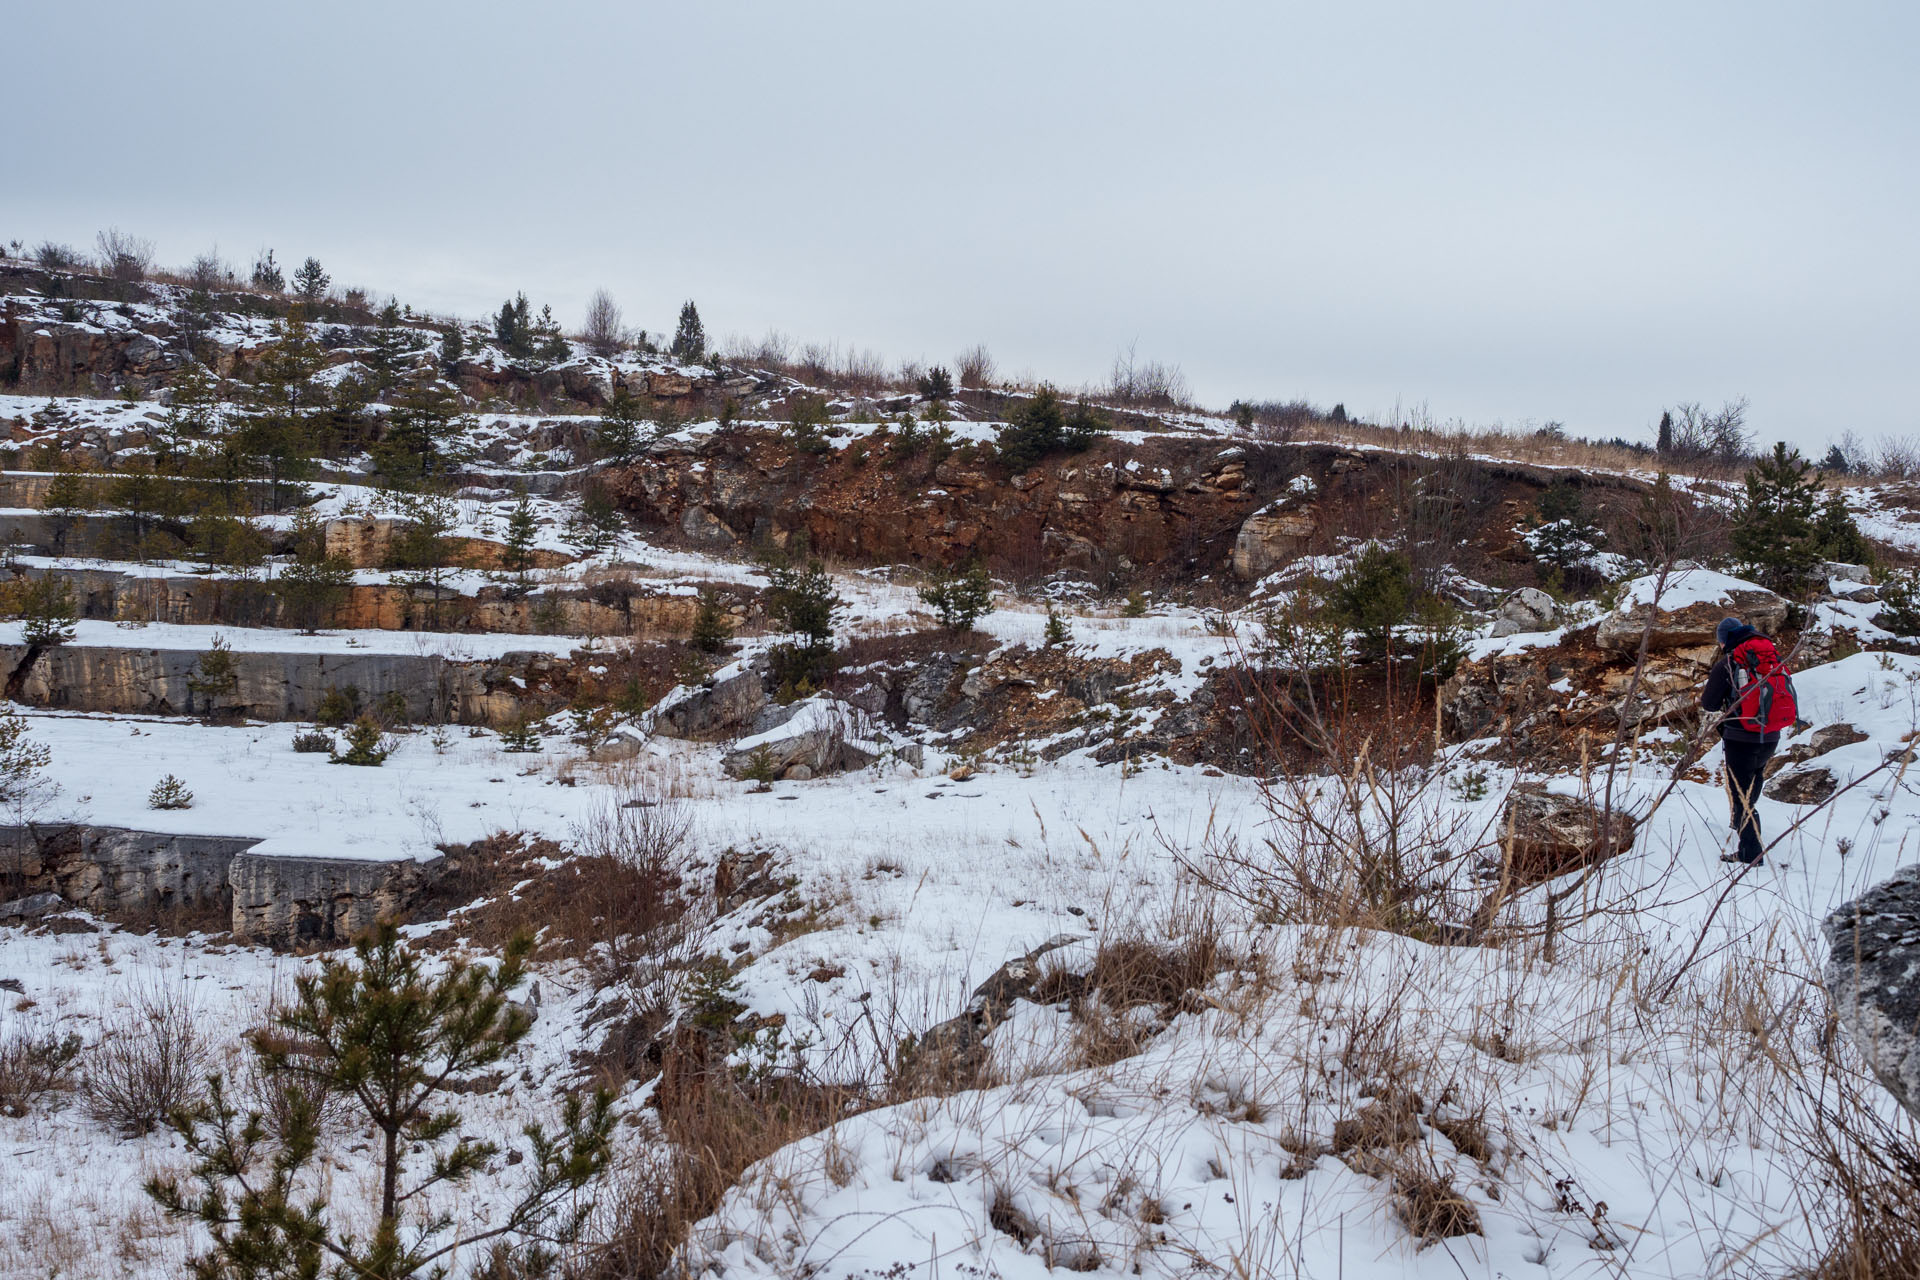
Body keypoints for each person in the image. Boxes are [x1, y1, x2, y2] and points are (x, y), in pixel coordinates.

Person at [1699, 615, 1789, 867]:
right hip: (1770, 735)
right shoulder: (1772, 658)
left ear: (1724, 640)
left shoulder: (1728, 663)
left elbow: (1709, 703)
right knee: (1754, 779)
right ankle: (1743, 826)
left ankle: (1750, 852)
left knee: (1741, 795)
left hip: (1741, 737)